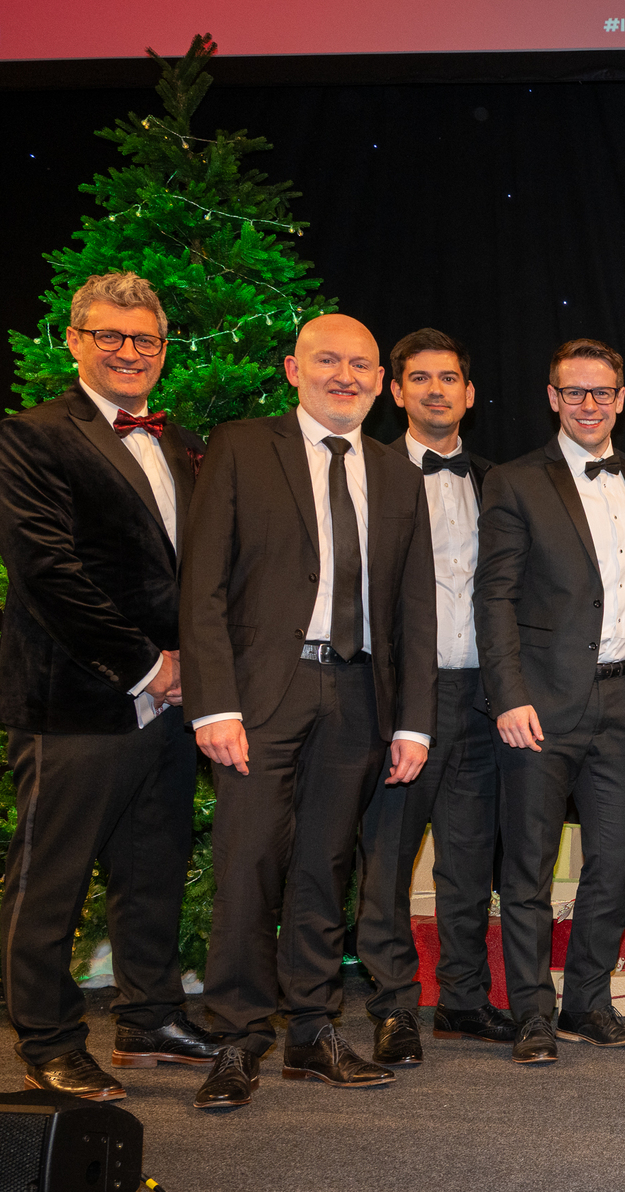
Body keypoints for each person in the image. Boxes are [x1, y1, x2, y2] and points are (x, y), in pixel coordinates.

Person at [182, 313, 438, 1109]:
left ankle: (311, 1032)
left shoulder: (397, 473)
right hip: (264, 693)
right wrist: (213, 704)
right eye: (328, 360)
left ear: (379, 382)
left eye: (360, 365)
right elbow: (203, 584)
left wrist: (413, 721)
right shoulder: (241, 446)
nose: (345, 376)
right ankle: (236, 1036)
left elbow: (415, 608)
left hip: (359, 694)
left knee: (327, 869)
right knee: (248, 861)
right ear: (295, 369)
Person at [0, 271, 219, 1101]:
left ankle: (149, 1016)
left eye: (144, 339)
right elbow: (48, 572)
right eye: (110, 336)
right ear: (76, 341)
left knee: (152, 868)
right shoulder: (31, 437)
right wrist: (150, 665)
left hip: (172, 705)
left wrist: (194, 666)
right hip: (74, 701)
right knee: (51, 878)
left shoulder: (184, 441)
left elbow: (200, 571)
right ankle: (46, 1040)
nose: (128, 351)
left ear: (164, 348)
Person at [476, 338, 625, 1065]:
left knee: (614, 861)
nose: (590, 404)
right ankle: (531, 1012)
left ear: (621, 398)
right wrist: (508, 695)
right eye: (575, 392)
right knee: (528, 867)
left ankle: (586, 1002)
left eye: (602, 392)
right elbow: (494, 595)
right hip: (540, 706)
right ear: (552, 397)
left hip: (623, 699)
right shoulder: (515, 480)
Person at [352, 329, 514, 1065]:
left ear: (469, 394)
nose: (436, 390)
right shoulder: (369, 473)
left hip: (480, 695)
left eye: (449, 378)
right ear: (396, 391)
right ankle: (393, 1006)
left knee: (469, 861)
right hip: (400, 699)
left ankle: (463, 999)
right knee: (387, 860)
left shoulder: (496, 480)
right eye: (420, 378)